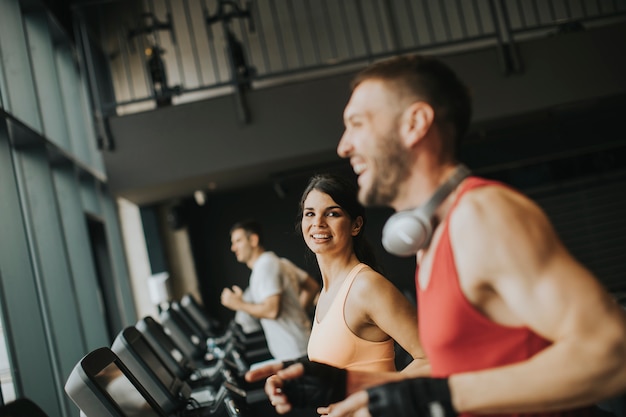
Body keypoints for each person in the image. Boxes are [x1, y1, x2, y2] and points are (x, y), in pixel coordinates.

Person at [246, 54, 626, 417]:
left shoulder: (481, 215)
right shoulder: (431, 239)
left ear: (414, 124)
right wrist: (351, 383)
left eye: (358, 124)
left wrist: (440, 397)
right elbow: (461, 369)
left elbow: (612, 355)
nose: (344, 145)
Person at [297, 172, 427, 373]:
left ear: (356, 225)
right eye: (310, 213)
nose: (318, 223)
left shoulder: (366, 287)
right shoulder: (326, 294)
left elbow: (431, 358)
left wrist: (373, 398)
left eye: (332, 213)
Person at [221, 219, 319, 361]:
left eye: (238, 241)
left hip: (294, 352)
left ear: (253, 240)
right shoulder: (279, 262)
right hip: (300, 344)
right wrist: (298, 312)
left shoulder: (265, 266)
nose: (233, 248)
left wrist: (238, 304)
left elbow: (272, 311)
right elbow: (312, 286)